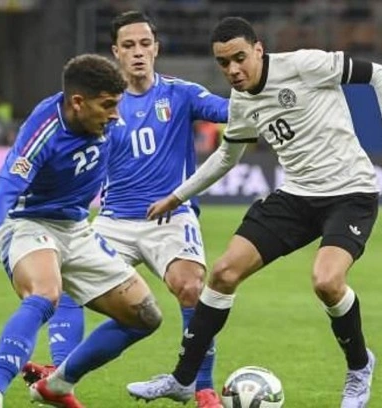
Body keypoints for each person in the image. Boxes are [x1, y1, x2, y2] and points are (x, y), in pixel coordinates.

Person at [126, 16, 382, 408]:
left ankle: (359, 366)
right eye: (223, 63)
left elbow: (381, 74)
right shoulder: (242, 102)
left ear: (258, 49)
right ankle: (182, 380)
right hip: (296, 196)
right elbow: (226, 157)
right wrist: (177, 196)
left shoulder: (303, 65)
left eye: (239, 58)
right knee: (224, 273)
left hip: (350, 192)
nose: (233, 69)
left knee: (327, 282)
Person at [21, 11, 229, 407]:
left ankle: (202, 387)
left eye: (145, 44)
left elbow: (230, 111)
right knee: (63, 283)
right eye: (129, 45)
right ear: (115, 53)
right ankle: (60, 374)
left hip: (170, 216)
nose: (138, 52)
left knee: (190, 286)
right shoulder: (102, 106)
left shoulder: (181, 94)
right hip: (115, 219)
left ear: (157, 49)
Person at [0, 54, 163, 408]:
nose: (115, 114)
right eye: (108, 105)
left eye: (117, 104)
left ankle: (57, 385)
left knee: (144, 316)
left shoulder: (108, 121)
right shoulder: (45, 130)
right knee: (46, 294)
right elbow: (8, 184)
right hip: (28, 222)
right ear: (78, 102)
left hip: (77, 228)